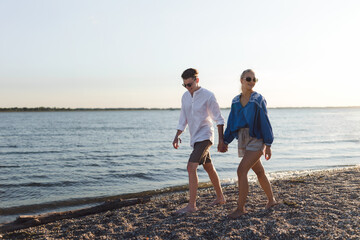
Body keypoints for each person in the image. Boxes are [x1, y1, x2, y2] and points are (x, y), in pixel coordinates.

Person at [221, 69, 277, 219]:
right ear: (241, 80)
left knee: (241, 170)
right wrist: (225, 141)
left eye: (254, 79)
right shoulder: (234, 101)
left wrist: (268, 144)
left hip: (257, 138)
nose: (251, 82)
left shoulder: (258, 99)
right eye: (248, 79)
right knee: (259, 172)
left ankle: (241, 208)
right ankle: (271, 201)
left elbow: (265, 121)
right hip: (243, 138)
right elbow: (232, 122)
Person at [172, 68, 227, 214]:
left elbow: (219, 119)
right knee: (208, 167)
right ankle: (220, 197)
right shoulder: (184, 97)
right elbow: (183, 118)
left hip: (205, 136)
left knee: (191, 167)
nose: (187, 88)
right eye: (185, 85)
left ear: (197, 80)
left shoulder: (208, 96)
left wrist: (222, 141)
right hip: (195, 138)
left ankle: (192, 205)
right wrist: (177, 135)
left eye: (189, 84)